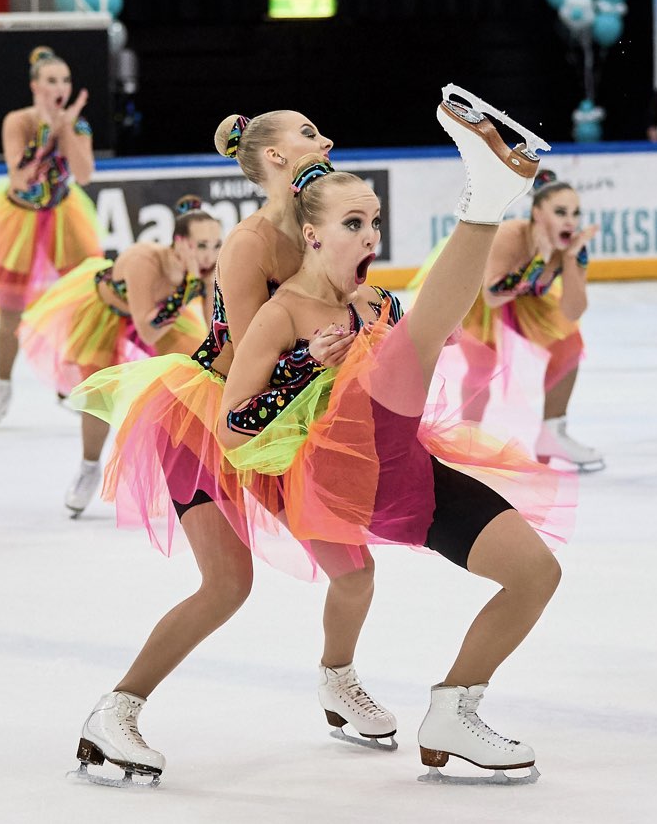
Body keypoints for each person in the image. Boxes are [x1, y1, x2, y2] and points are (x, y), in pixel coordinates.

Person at [216, 87, 573, 784]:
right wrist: (302, 368)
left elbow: (423, 334)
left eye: (375, 221)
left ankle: (454, 709)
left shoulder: (376, 300)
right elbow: (233, 429)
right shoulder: (282, 312)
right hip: (342, 471)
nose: (370, 237)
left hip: (404, 469)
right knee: (421, 339)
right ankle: (485, 197)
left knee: (536, 573)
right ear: (313, 235)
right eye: (353, 222)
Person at [69, 112, 406, 785]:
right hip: (213, 420)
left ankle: (337, 679)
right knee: (227, 583)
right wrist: (320, 349)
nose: (326, 141)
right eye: (310, 133)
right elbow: (258, 357)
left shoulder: (325, 223)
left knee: (354, 573)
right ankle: (115, 711)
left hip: (285, 419)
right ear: (275, 155)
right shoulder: (249, 244)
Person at [17, 196, 220, 516]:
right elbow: (148, 331)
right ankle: (88, 467)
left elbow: (211, 336)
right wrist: (188, 286)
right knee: (99, 391)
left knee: (198, 372)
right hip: (105, 314)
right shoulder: (144, 261)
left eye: (215, 245)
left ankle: (202, 467)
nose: (209, 255)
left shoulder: (207, 270)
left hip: (162, 316)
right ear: (180, 242)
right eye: (201, 245)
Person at [0, 46, 102, 431]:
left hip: (64, 217)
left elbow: (84, 175)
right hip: (17, 220)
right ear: (35, 86)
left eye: (65, 81)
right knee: (10, 312)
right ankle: (2, 386)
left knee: (80, 303)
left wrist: (66, 129)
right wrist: (48, 132)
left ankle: (68, 379)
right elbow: (21, 178)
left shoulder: (79, 124)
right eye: (52, 81)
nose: (60, 87)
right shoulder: (18, 121)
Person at [444, 169, 602, 470]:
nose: (570, 221)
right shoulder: (509, 236)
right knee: (482, 364)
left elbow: (573, 312)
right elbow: (493, 295)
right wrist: (540, 259)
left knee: (569, 344)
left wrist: (570, 261)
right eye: (560, 212)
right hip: (478, 295)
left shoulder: (572, 248)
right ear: (538, 213)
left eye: (575, 213)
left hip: (525, 299)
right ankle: (468, 439)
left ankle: (553, 434)